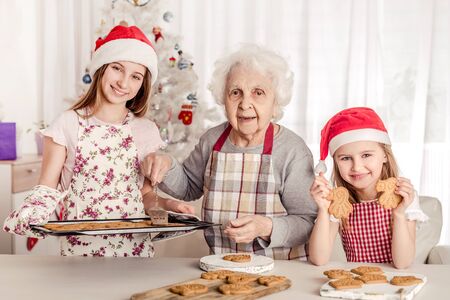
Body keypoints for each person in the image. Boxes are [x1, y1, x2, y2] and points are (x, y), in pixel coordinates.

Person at [3, 25, 193, 257]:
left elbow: (144, 197)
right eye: (117, 68)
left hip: (135, 250)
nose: (124, 82)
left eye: (135, 76)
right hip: (80, 250)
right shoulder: (67, 124)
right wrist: (30, 216)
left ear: (142, 84)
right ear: (102, 68)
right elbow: (47, 189)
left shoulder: (145, 130)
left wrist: (168, 206)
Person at [142, 44, 318, 260]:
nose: (245, 104)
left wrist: (267, 227)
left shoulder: (292, 150)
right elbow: (188, 187)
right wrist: (167, 164)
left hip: (281, 270)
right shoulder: (212, 140)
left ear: (275, 102)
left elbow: (308, 222)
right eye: (236, 92)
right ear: (223, 99)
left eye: (258, 93)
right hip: (222, 266)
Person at [308, 107, 428, 268]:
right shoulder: (338, 202)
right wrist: (323, 210)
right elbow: (318, 259)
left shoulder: (403, 197)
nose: (357, 167)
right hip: (357, 282)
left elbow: (403, 263)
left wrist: (399, 214)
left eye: (366, 155)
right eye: (345, 158)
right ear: (335, 162)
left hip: (393, 283)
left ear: (385, 155)